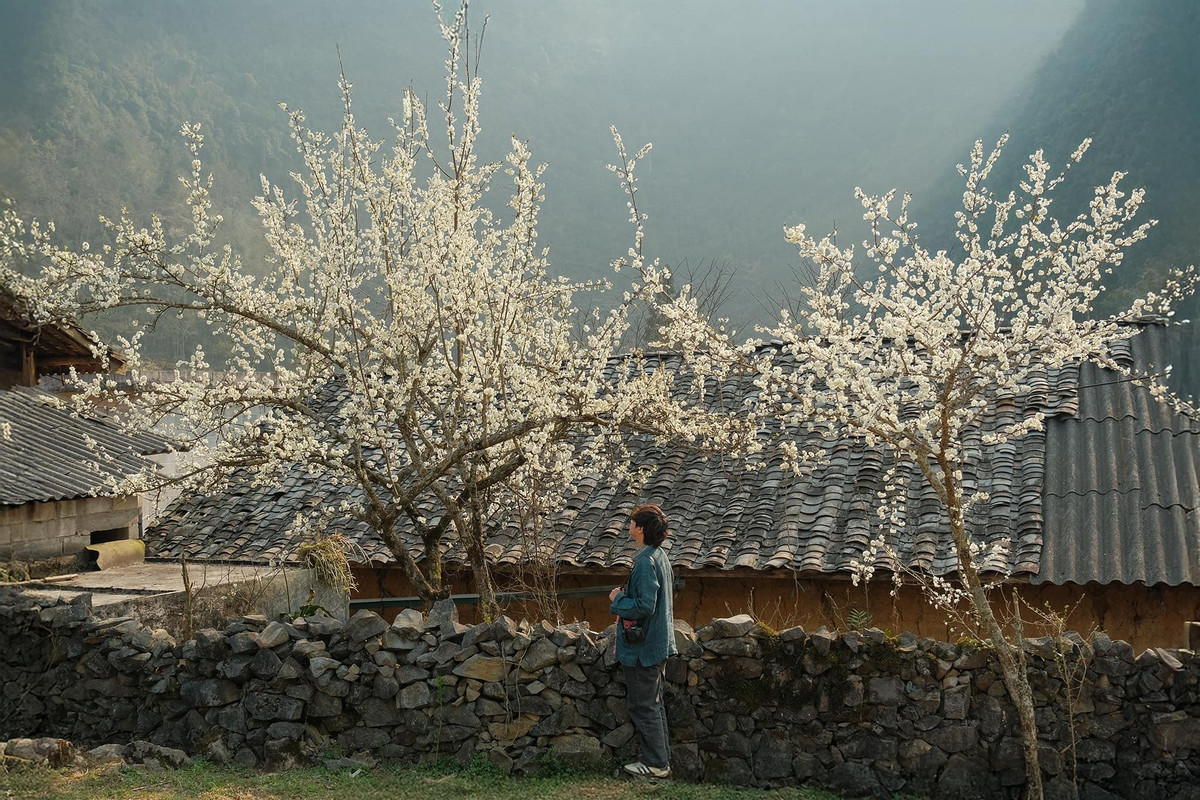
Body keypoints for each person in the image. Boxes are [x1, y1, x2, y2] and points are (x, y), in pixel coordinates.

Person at [609, 503, 676, 778]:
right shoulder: (659, 556)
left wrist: (618, 599)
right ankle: (661, 762)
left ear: (640, 528)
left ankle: (655, 764)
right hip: (656, 643)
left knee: (643, 705)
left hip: (643, 648)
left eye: (633, 520)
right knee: (653, 704)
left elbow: (645, 605)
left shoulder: (645, 562)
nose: (629, 524)